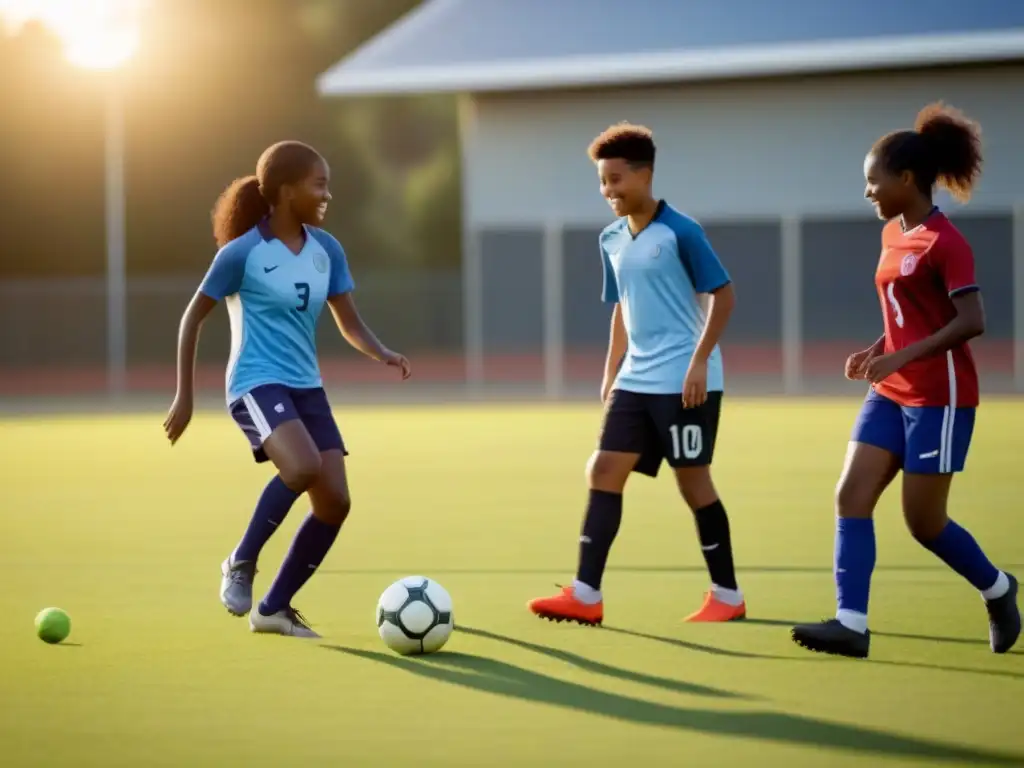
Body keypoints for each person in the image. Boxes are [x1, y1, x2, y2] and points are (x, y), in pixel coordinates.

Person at [791, 103, 1020, 658]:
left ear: (908, 179)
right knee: (850, 495)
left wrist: (903, 357)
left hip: (939, 399)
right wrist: (877, 351)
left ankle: (999, 589)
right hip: (890, 392)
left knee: (924, 523)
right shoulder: (893, 234)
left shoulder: (947, 243)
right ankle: (852, 624)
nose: (868, 191)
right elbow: (905, 313)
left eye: (874, 180)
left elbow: (972, 321)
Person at [163, 140, 411, 639]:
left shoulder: (327, 250)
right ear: (284, 190)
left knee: (335, 503)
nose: (327, 194)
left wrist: (380, 350)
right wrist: (184, 397)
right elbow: (193, 317)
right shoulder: (243, 253)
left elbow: (349, 320)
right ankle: (240, 560)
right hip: (255, 381)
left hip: (307, 387)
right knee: (301, 467)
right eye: (318, 185)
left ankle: (273, 608)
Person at [527, 123, 744, 626]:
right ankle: (585, 594)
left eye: (616, 180)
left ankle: (728, 596)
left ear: (645, 175)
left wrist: (698, 362)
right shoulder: (611, 239)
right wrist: (611, 372)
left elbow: (725, 296)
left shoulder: (682, 232)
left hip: (686, 382)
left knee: (693, 482)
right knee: (603, 469)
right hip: (636, 380)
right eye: (602, 182)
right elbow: (622, 309)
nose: (608, 191)